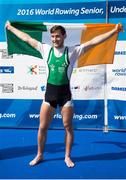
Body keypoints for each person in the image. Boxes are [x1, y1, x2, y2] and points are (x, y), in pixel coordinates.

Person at [5, 21, 122, 168]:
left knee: (68, 126)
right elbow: (27, 39)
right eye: (53, 36)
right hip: (49, 95)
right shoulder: (45, 49)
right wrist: (10, 28)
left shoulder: (73, 51)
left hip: (65, 95)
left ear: (64, 36)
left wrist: (113, 31)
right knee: (42, 127)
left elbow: (93, 42)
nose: (55, 39)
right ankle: (40, 154)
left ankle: (67, 156)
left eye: (58, 36)